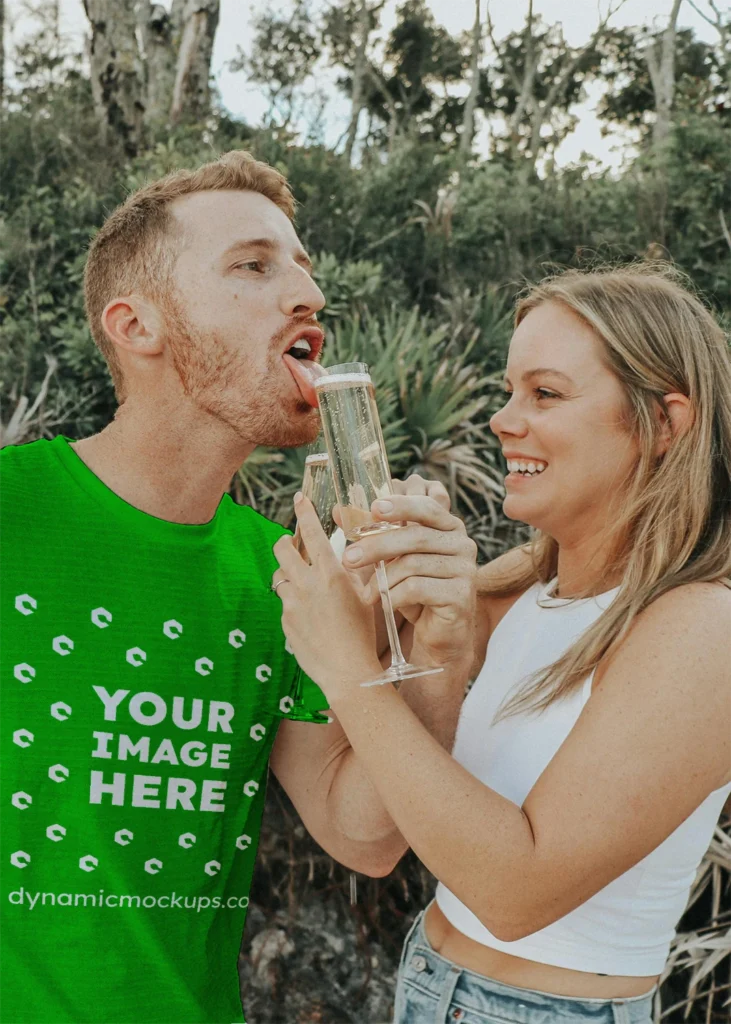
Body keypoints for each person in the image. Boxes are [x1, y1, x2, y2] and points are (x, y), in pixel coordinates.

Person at [0, 150, 475, 1024]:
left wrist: (440, 650)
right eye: (254, 266)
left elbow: (362, 835)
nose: (307, 295)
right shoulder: (10, 511)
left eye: (302, 267)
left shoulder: (285, 572)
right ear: (135, 325)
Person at [273, 265, 731, 1024]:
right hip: (426, 977)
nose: (502, 420)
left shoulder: (702, 626)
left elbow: (516, 892)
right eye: (509, 390)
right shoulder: (522, 584)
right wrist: (423, 631)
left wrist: (350, 670)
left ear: (664, 423)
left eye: (544, 393)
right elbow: (368, 826)